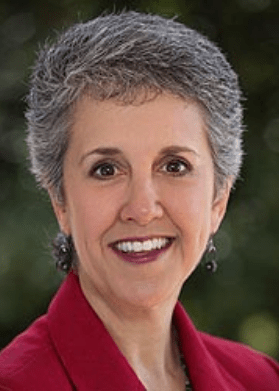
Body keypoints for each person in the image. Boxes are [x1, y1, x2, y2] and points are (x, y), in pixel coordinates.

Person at [0, 11, 278, 391]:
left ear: (219, 199)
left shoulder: (261, 379)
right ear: (60, 200)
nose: (142, 209)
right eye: (106, 170)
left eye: (175, 165)